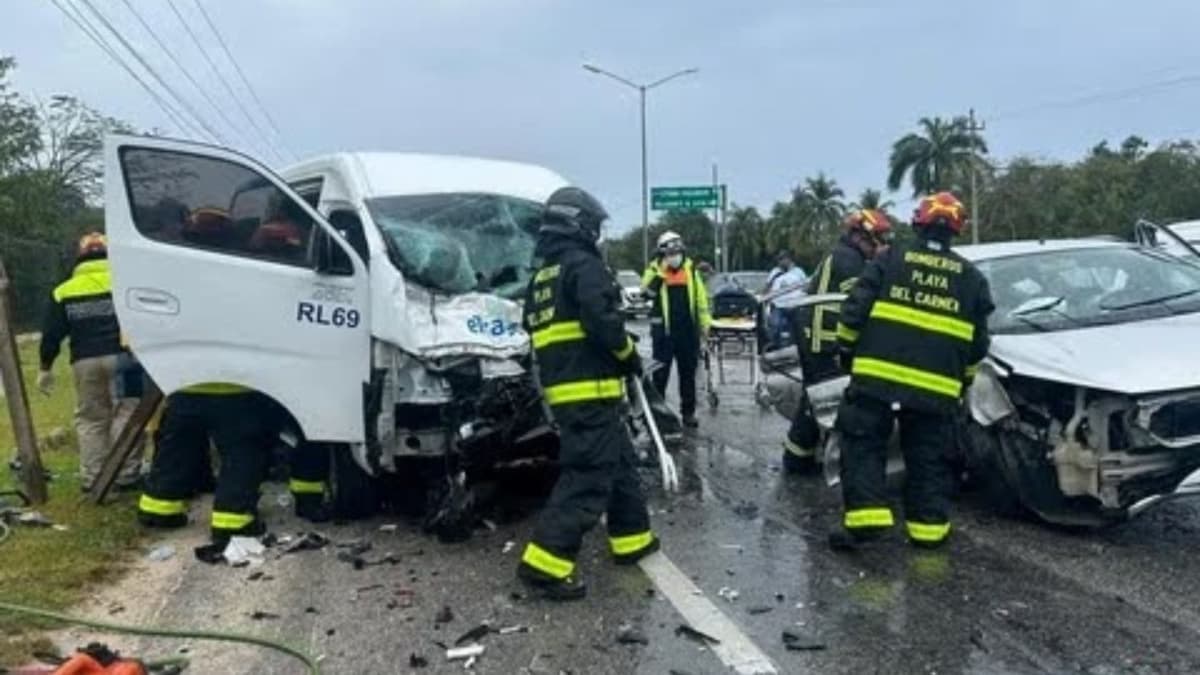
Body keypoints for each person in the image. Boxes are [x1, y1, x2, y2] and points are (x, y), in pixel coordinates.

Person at [829, 192, 994, 551]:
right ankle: (928, 531)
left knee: (862, 444)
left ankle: (866, 520)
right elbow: (978, 346)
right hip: (936, 392)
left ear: (918, 223)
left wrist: (845, 352)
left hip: (875, 380)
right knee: (929, 458)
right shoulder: (972, 279)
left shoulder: (889, 260)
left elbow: (853, 314)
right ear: (956, 230)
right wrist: (961, 383)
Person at [517, 187, 657, 601]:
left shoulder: (543, 276)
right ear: (577, 223)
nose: (596, 234)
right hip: (591, 391)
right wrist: (629, 355)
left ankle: (633, 538)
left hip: (567, 393)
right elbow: (604, 325)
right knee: (588, 476)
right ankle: (543, 565)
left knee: (620, 464)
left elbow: (537, 329)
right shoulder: (584, 266)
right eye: (593, 226)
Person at [783, 210, 892, 473]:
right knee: (822, 397)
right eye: (876, 239)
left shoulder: (846, 255)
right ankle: (799, 459)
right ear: (859, 235)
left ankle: (799, 455)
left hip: (819, 335)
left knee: (815, 397)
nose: (879, 244)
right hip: (823, 339)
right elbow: (859, 302)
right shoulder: (848, 260)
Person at [38, 232, 144, 492]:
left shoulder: (64, 290)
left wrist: (45, 367)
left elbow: (51, 334)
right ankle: (126, 474)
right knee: (127, 412)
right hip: (124, 359)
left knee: (91, 419)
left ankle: (94, 478)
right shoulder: (125, 281)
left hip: (83, 361)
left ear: (79, 257)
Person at [640, 231, 711, 428]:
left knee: (688, 374)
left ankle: (688, 413)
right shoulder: (653, 270)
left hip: (687, 332)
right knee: (660, 375)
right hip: (663, 333)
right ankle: (658, 414)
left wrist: (705, 324)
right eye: (670, 253)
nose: (674, 256)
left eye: (677, 252)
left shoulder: (691, 270)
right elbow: (647, 294)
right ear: (662, 254)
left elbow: (700, 299)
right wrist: (661, 273)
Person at [761, 250, 808, 349]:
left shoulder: (799, 272)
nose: (780, 262)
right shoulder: (775, 272)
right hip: (778, 306)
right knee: (775, 327)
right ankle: (774, 347)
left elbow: (806, 288)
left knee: (797, 329)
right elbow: (767, 287)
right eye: (779, 260)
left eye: (782, 259)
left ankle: (795, 347)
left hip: (795, 306)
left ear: (789, 259)